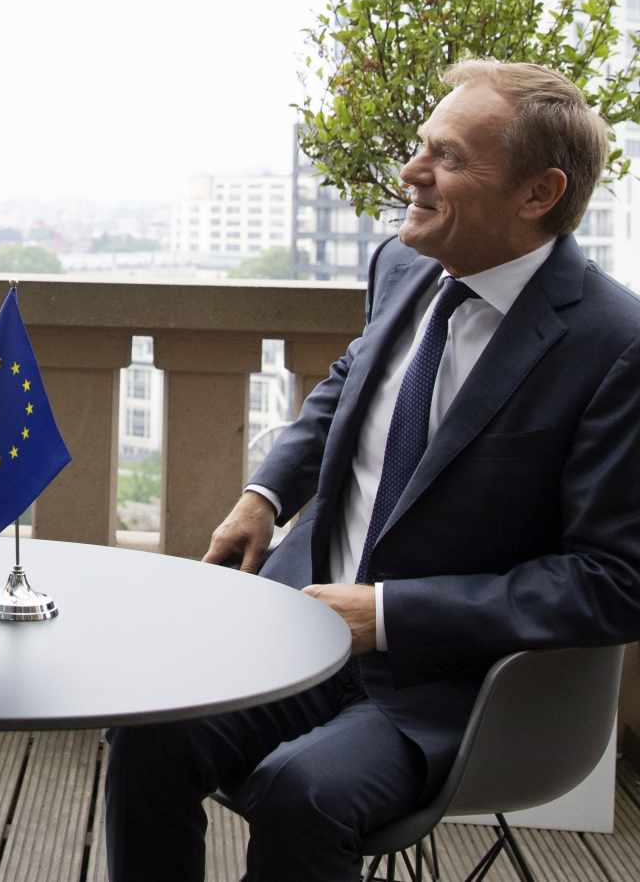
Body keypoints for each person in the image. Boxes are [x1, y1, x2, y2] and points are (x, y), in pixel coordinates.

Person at [105, 60, 640, 881]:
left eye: (449, 158)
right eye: (422, 146)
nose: (411, 174)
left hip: (449, 685)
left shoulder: (614, 345)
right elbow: (350, 384)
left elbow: (611, 581)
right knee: (149, 727)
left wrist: (387, 614)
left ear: (538, 194)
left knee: (300, 791)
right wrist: (266, 491)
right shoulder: (404, 265)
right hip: (301, 635)